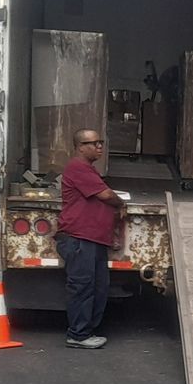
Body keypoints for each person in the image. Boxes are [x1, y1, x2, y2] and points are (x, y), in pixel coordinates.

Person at [60, 128, 126, 349]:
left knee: (98, 286)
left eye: (101, 142)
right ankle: (78, 335)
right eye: (94, 143)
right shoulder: (78, 167)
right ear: (80, 147)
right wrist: (121, 204)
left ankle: (86, 331)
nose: (99, 146)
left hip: (93, 239)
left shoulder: (89, 169)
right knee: (83, 286)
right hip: (80, 238)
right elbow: (105, 195)